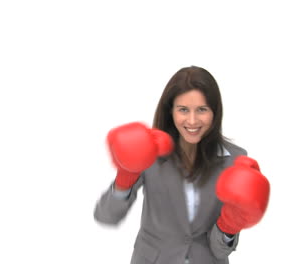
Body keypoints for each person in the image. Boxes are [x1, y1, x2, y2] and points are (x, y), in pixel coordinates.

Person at [94, 66, 270, 264]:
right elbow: (106, 216)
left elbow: (219, 252)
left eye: (202, 110)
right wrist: (124, 178)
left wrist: (230, 225)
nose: (192, 120)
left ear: (215, 112)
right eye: (183, 110)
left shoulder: (235, 159)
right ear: (171, 111)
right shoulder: (147, 150)